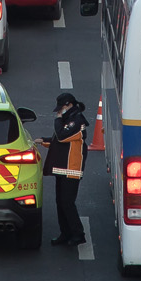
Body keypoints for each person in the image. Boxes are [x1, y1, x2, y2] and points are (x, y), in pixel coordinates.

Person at [39, 93, 88, 246]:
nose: (60, 112)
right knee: (60, 202)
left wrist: (58, 119)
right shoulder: (69, 119)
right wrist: (45, 141)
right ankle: (65, 233)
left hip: (71, 168)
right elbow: (59, 141)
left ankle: (78, 234)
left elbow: (62, 136)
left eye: (62, 108)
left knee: (67, 202)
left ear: (69, 105)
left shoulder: (77, 120)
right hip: (61, 167)